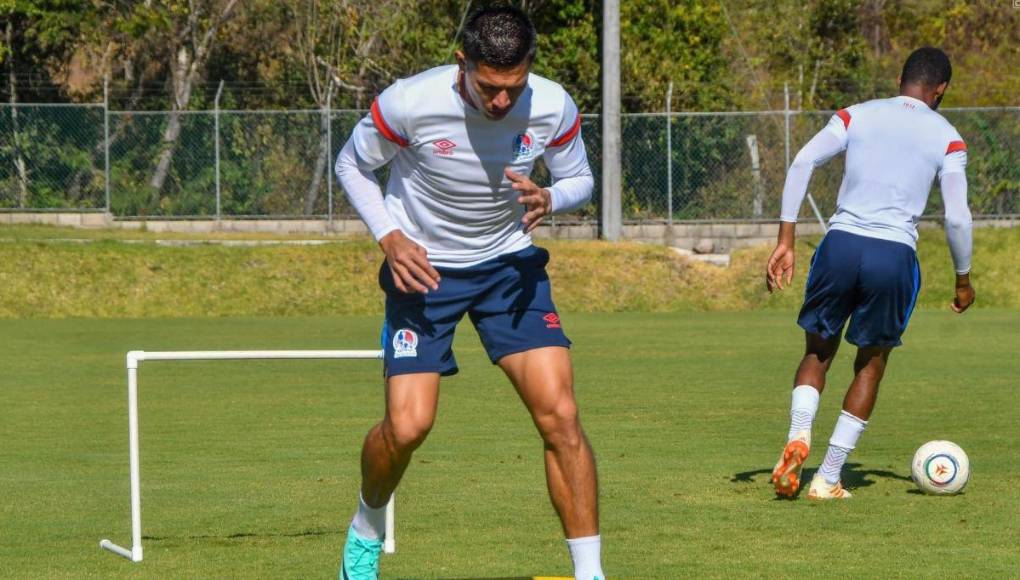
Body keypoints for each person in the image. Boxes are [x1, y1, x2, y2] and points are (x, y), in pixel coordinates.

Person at [333, 6, 603, 578]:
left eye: (514, 87)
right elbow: (352, 165)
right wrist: (389, 237)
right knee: (408, 427)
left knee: (561, 417)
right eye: (488, 88)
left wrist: (552, 198)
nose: (502, 102)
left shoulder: (553, 105)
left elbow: (581, 178)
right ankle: (366, 523)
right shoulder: (410, 102)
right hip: (424, 273)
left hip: (510, 269)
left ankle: (590, 573)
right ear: (463, 63)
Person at [766, 47, 975, 500]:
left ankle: (797, 439)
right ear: (940, 89)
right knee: (870, 365)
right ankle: (828, 478)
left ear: (901, 78)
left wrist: (785, 239)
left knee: (818, 352)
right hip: (893, 254)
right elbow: (957, 218)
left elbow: (802, 160)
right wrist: (963, 277)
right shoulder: (949, 137)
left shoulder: (855, 114)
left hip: (840, 244)